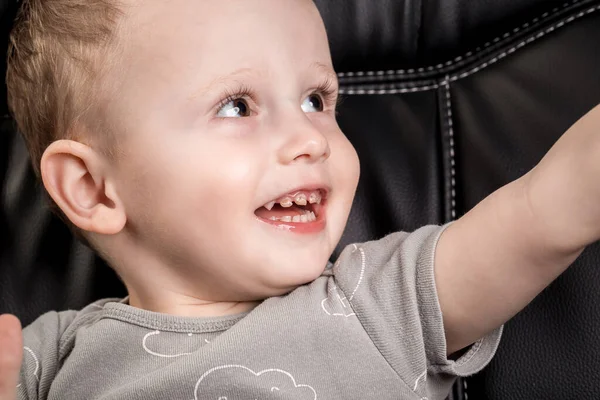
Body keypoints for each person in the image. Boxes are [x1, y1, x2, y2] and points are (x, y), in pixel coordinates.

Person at [1, 0, 599, 399]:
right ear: (93, 188)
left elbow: (541, 214)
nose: (310, 138)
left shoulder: (375, 302)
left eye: (317, 98)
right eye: (237, 105)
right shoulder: (48, 355)